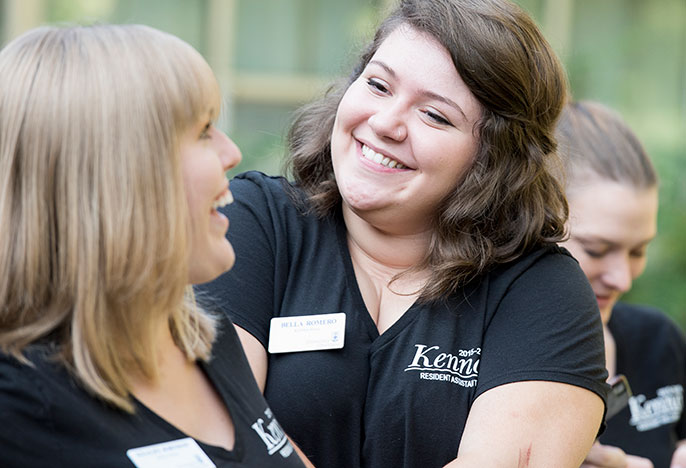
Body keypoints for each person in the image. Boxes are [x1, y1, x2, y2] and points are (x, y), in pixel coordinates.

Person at [198, 0, 610, 466]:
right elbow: (220, 432)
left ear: (493, 159)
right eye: (377, 85)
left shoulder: (541, 291)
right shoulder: (254, 222)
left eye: (435, 115)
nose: (385, 123)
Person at [0, 24, 308, 468]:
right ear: (117, 178)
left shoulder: (202, 336)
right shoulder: (18, 406)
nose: (232, 152)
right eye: (204, 131)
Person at [557, 101, 686, 468]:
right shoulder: (470, 357)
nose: (623, 279)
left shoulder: (659, 341)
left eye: (638, 251)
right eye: (597, 250)